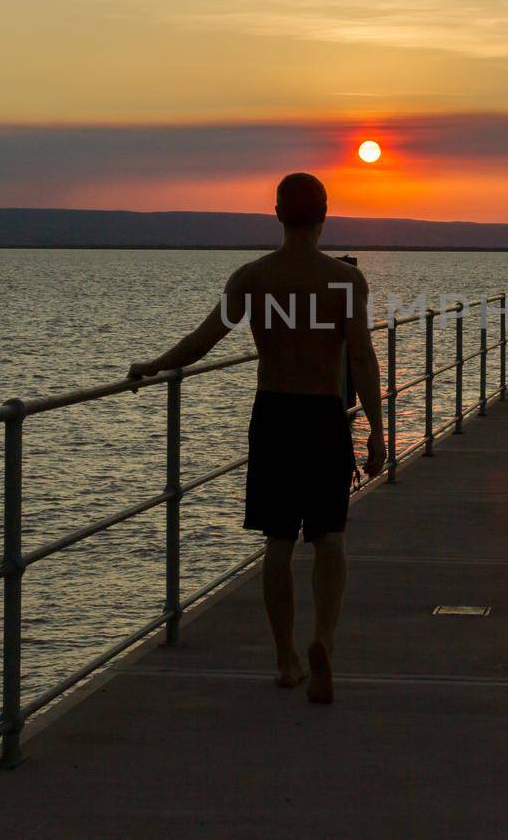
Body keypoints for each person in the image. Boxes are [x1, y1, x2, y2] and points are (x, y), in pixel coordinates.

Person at [128, 172, 386, 704]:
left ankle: (286, 659)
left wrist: (155, 366)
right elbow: (361, 358)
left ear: (276, 214)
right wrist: (378, 432)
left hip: (274, 414)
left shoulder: (253, 278)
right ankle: (324, 644)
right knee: (331, 540)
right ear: (324, 215)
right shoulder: (344, 281)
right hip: (323, 416)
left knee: (278, 542)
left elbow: (205, 338)